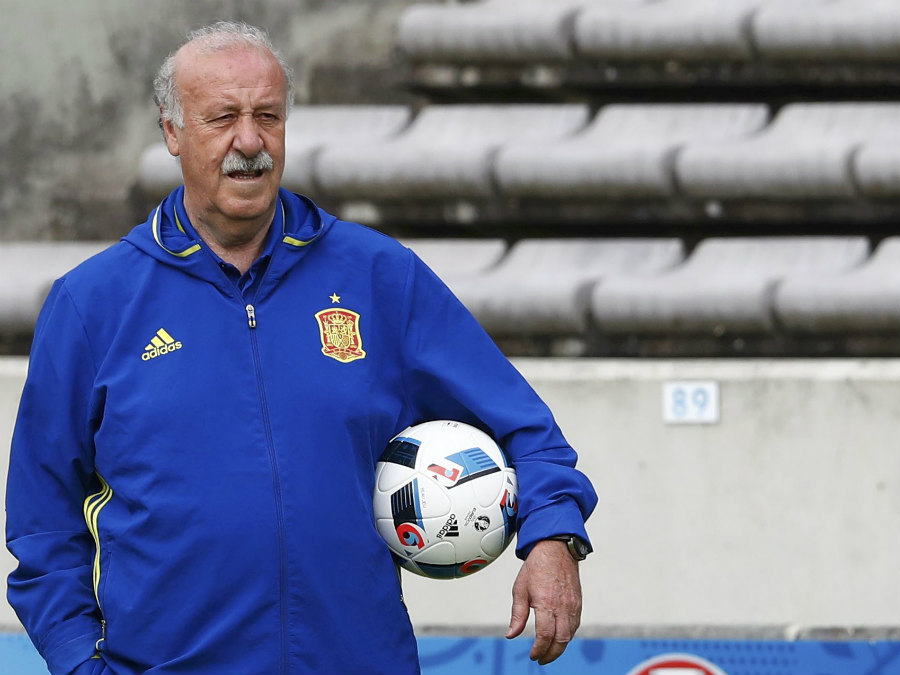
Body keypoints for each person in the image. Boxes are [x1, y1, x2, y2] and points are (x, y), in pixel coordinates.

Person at [6, 21, 596, 675]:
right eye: (223, 117)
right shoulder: (93, 303)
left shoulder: (378, 276)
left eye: (268, 115)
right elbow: (41, 521)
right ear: (173, 132)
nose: (250, 141)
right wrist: (78, 660)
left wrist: (552, 531)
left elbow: (526, 427)